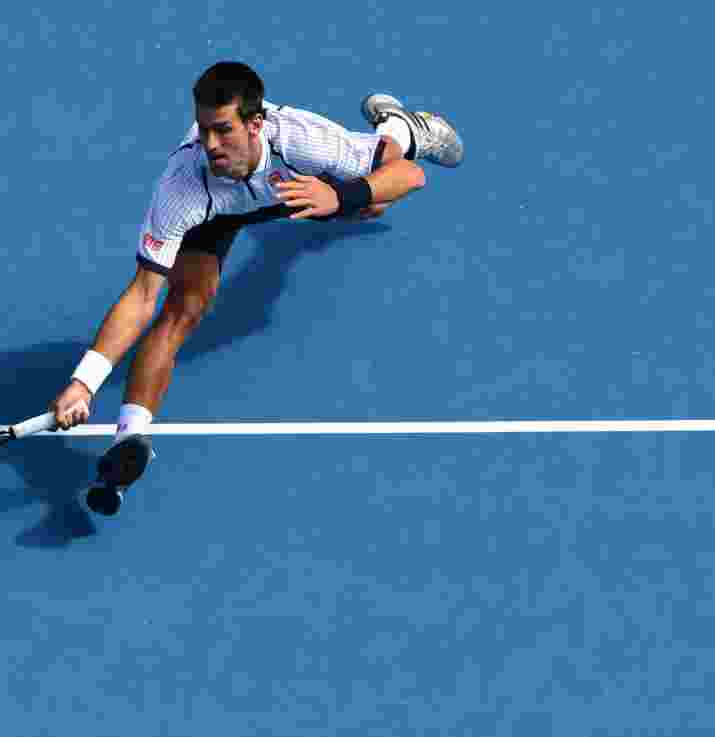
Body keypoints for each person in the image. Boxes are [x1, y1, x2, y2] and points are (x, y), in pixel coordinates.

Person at [48, 61, 464, 516]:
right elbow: (143, 295)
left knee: (374, 197)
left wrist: (340, 197)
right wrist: (83, 383)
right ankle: (130, 437)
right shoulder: (183, 185)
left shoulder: (302, 139)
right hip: (220, 210)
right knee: (182, 308)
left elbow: (412, 176)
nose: (210, 144)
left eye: (223, 130)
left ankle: (402, 126)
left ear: (256, 124)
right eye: (205, 130)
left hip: (293, 188)